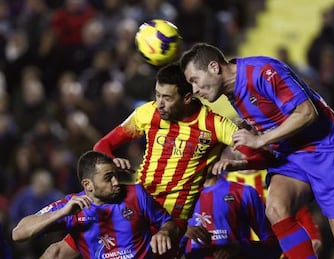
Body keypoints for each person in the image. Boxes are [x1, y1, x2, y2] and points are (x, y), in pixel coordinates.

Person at [39, 63, 271, 258]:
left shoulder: (216, 125)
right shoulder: (147, 113)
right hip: (136, 202)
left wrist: (236, 163)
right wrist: (112, 160)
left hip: (169, 218)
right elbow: (102, 145)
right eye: (157, 95)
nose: (159, 103)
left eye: (167, 98)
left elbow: (260, 157)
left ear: (187, 97)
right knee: (56, 252)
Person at [180, 43, 334, 258]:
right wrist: (243, 163)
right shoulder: (231, 94)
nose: (194, 90)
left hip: (329, 151)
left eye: (194, 81)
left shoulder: (262, 72)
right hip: (292, 156)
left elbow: (307, 113)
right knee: (275, 209)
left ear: (214, 67)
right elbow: (273, 139)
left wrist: (259, 140)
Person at [12, 150, 179, 258]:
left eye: (115, 175)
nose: (116, 182)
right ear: (87, 185)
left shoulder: (136, 194)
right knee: (53, 252)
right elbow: (18, 234)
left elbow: (170, 223)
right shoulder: (73, 205)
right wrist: (61, 213)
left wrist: (164, 232)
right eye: (108, 178)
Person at [182, 171, 281, 259]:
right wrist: (180, 232)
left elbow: (274, 246)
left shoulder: (244, 192)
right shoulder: (179, 199)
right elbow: (169, 248)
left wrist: (240, 247)